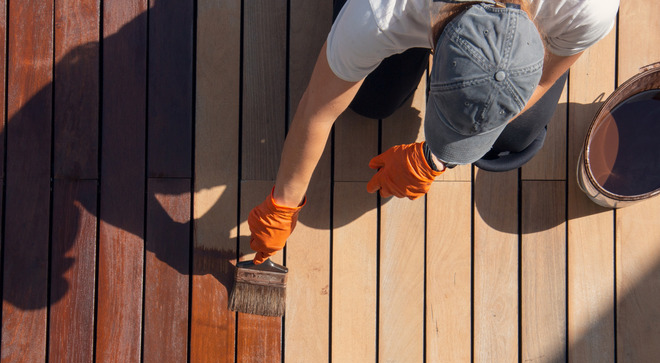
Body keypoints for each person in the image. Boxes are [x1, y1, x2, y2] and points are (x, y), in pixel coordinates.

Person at [247, 0, 620, 265]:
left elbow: (544, 78)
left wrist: (434, 157)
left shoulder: (589, 7)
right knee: (370, 101)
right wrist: (282, 204)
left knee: (511, 141)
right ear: (437, 48)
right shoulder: (381, 12)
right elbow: (318, 106)